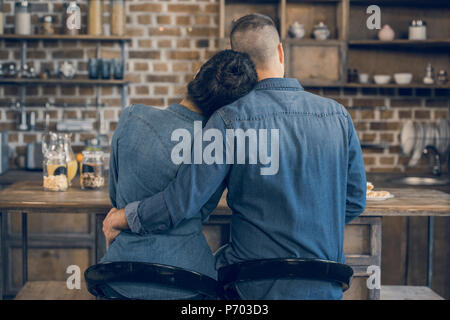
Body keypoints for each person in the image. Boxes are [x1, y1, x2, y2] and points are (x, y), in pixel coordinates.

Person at [103, 14, 366, 300]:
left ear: (236, 63)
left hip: (250, 286)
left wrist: (124, 216)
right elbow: (354, 201)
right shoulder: (338, 115)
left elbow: (182, 201)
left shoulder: (229, 119)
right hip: (325, 287)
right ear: (280, 51)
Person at [100, 50, 258, 299]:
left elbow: (115, 197)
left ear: (197, 74)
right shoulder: (218, 144)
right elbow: (201, 207)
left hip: (117, 279)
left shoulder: (132, 117)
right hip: (190, 281)